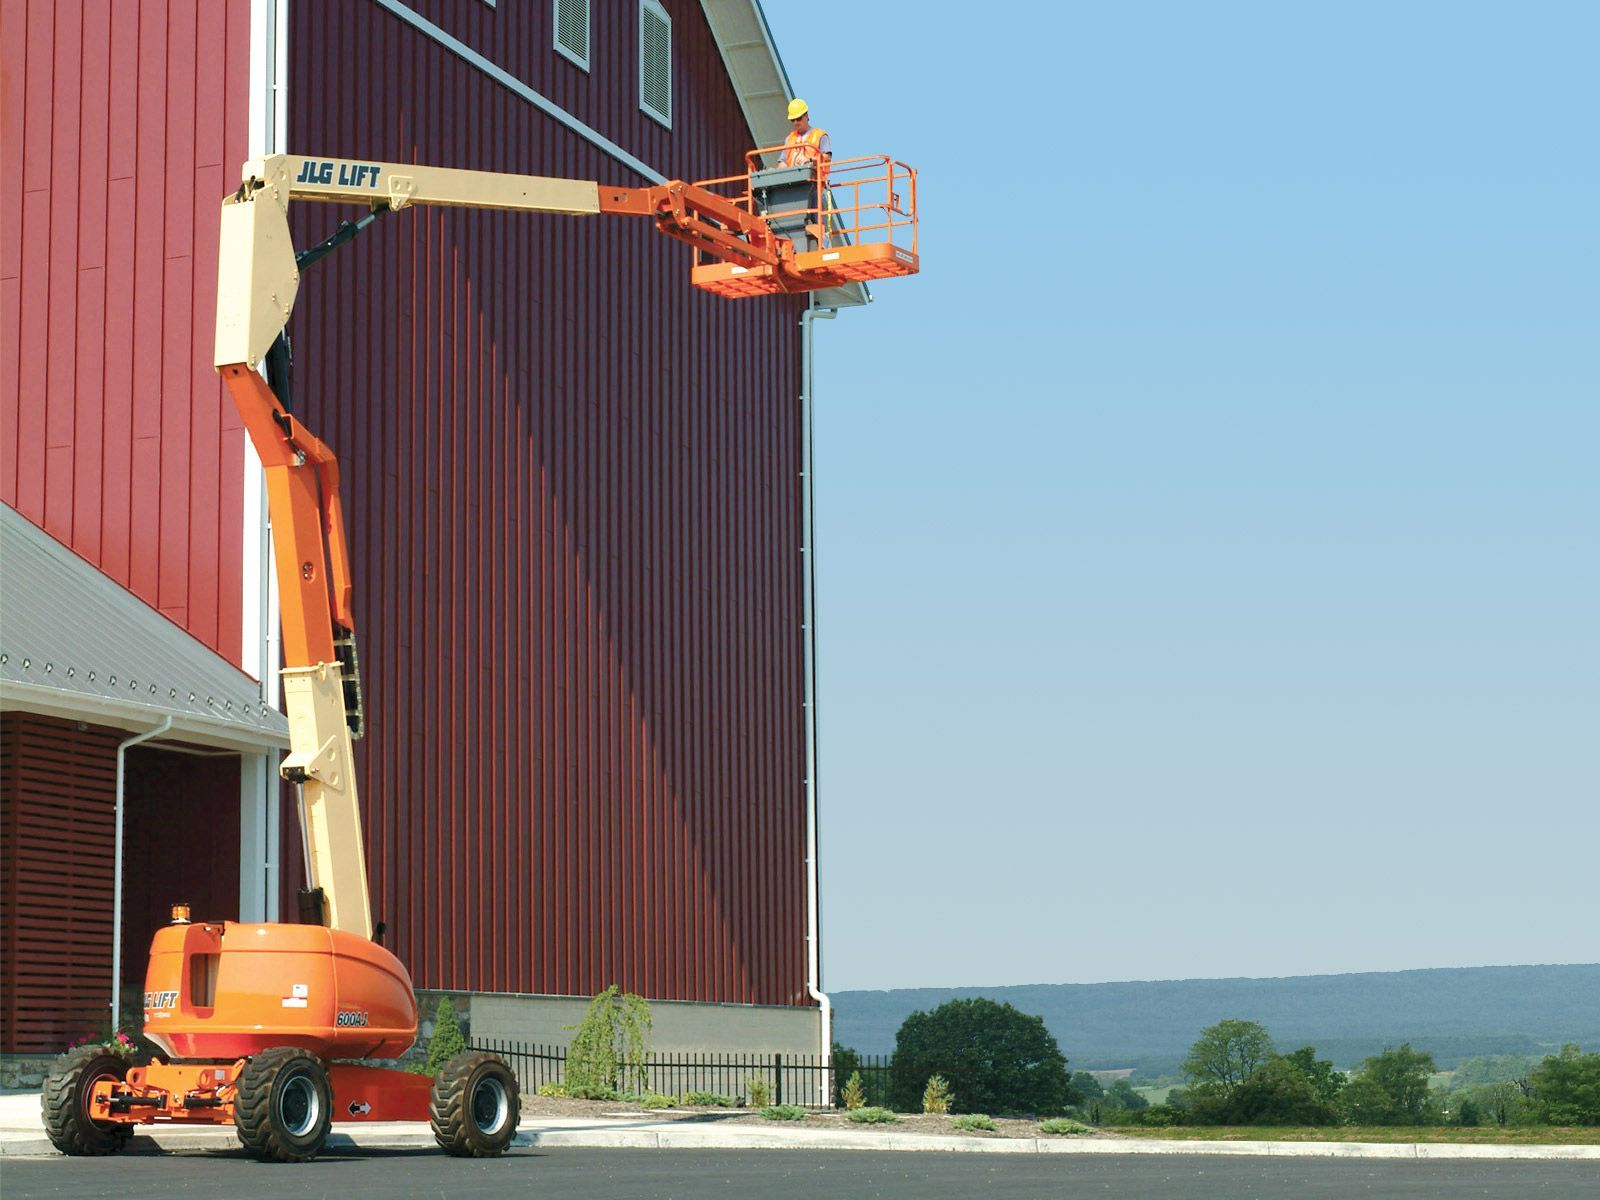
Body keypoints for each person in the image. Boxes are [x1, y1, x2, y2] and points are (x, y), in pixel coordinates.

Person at [780, 99, 830, 169]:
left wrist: (810, 160)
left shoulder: (820, 135)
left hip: (814, 175)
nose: (795, 122)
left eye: (798, 118)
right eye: (793, 120)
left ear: (806, 116)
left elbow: (827, 157)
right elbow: (782, 162)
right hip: (793, 175)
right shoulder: (789, 139)